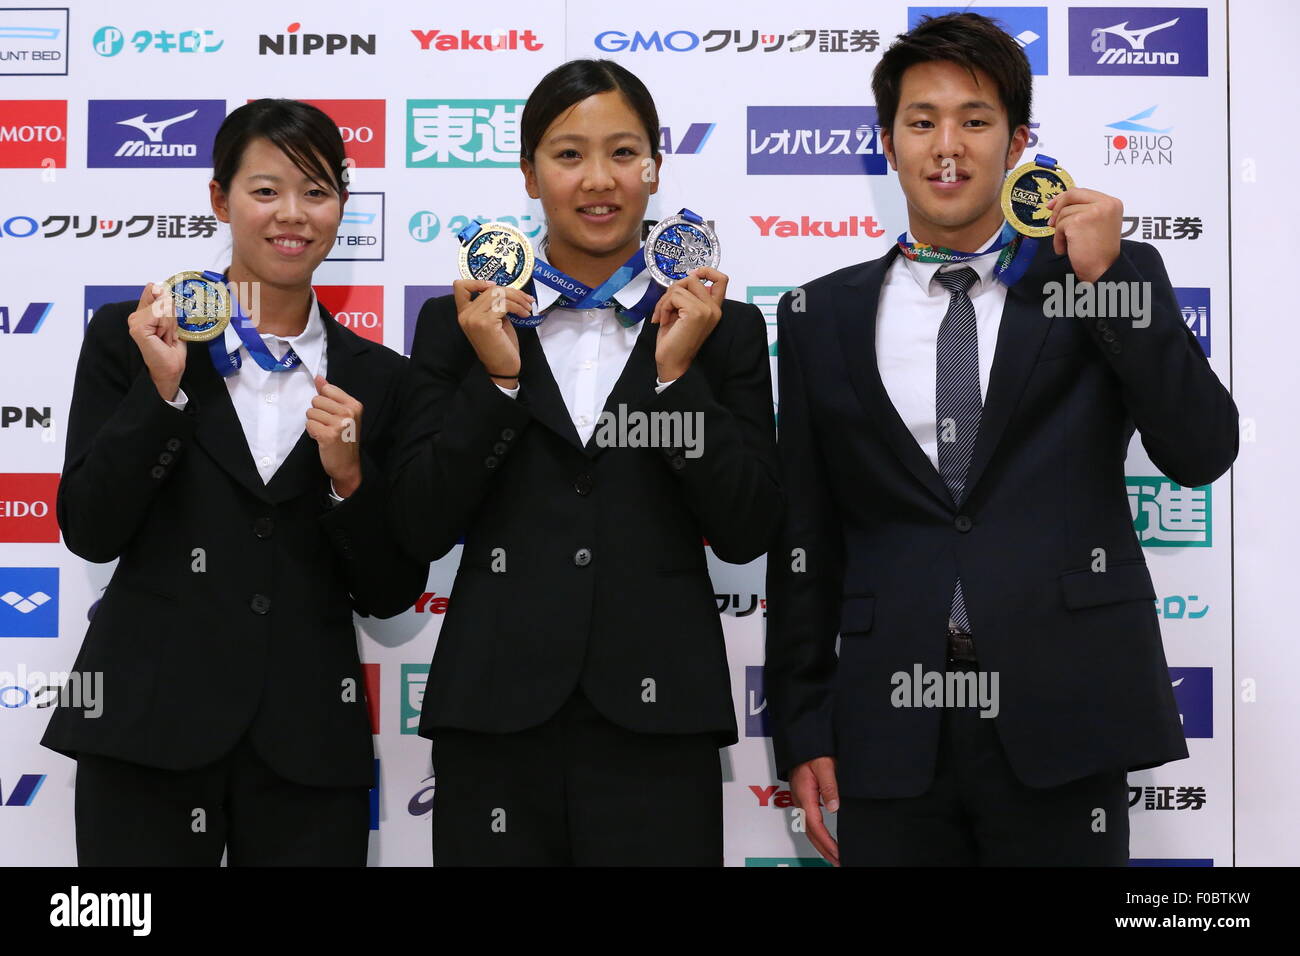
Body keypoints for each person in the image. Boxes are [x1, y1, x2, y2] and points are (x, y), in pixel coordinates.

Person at [765, 12, 1238, 866]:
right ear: (888, 141)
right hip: (888, 723)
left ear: (1019, 141)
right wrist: (803, 725)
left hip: (1063, 711)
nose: (948, 145)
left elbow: (1201, 449)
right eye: (922, 121)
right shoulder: (817, 314)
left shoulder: (1096, 277)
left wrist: (1109, 279)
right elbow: (806, 537)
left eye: (976, 120)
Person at [392, 58, 781, 866]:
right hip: (493, 715)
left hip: (659, 718)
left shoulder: (724, 329)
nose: (598, 179)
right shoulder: (456, 323)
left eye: (623, 152)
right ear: (529, 174)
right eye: (568, 154)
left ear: (655, 168)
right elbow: (418, 523)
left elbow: (747, 529)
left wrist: (676, 379)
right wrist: (497, 379)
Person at [42, 99, 427, 866]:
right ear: (220, 200)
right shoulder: (137, 336)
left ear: (342, 207)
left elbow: (390, 591)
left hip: (308, 745)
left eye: (317, 192)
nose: (293, 215)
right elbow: (90, 526)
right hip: (146, 726)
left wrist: (349, 478)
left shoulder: (381, 381)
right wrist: (161, 396)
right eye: (265, 190)